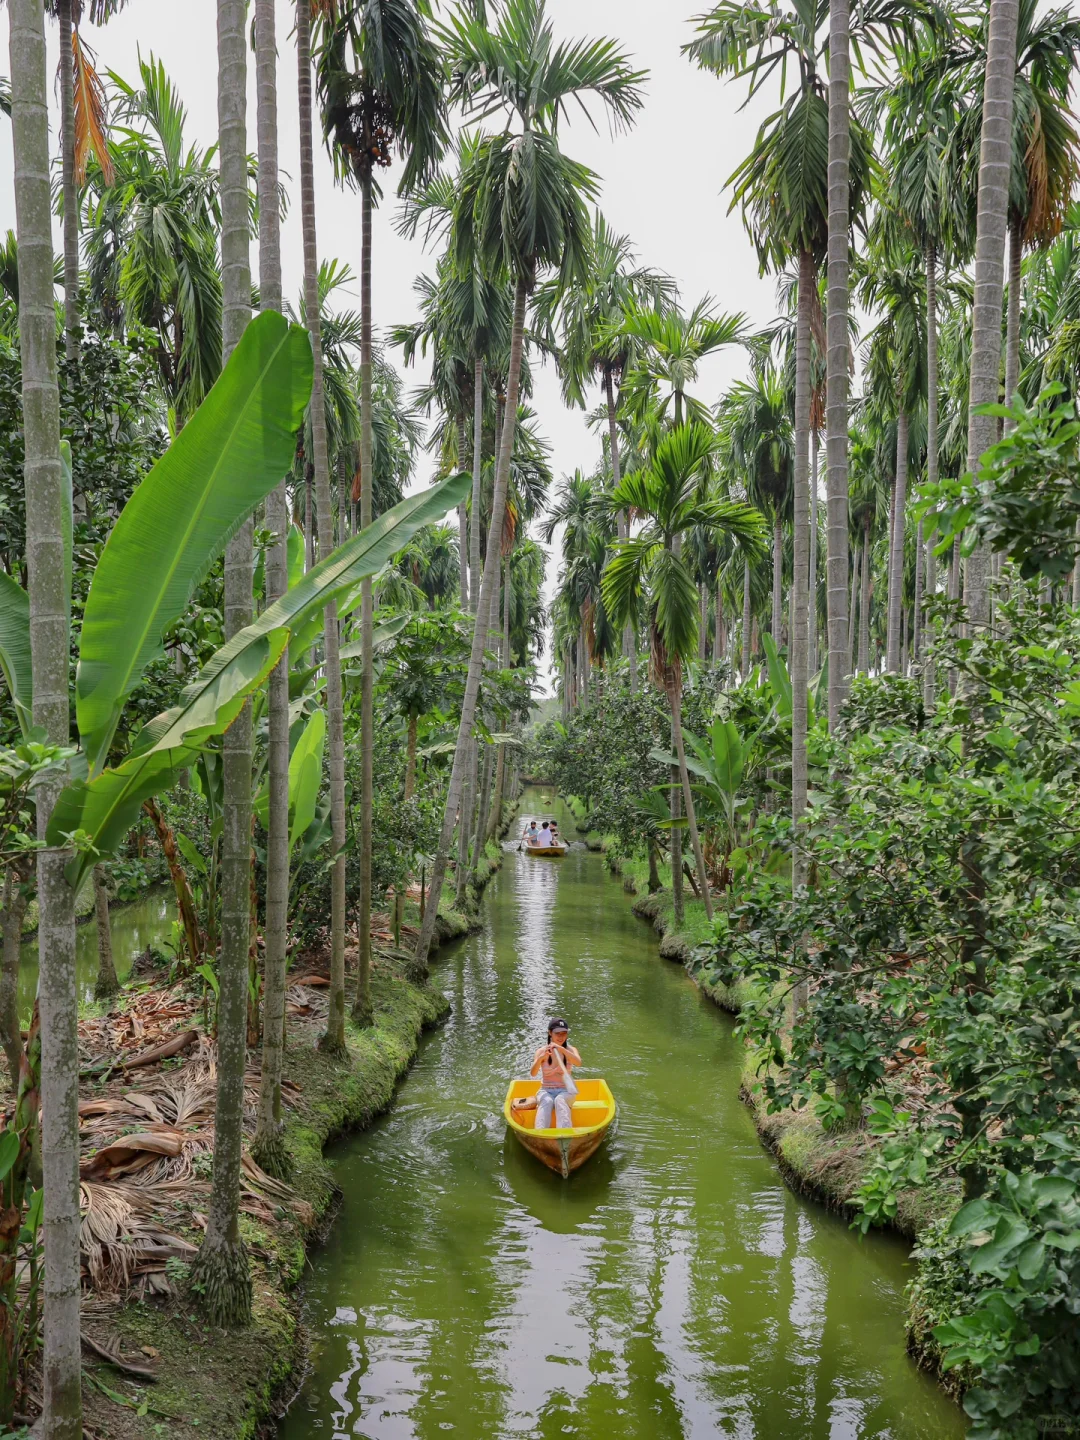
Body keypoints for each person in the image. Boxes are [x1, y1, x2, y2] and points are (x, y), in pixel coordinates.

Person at [529, 1019, 581, 1129]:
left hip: (566, 1091)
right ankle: (540, 1134)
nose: (561, 1037)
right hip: (546, 1090)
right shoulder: (541, 1051)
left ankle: (564, 1136)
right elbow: (533, 1073)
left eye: (564, 1033)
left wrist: (562, 1050)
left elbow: (578, 1063)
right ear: (550, 1033)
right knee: (547, 1101)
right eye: (557, 1033)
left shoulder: (570, 1050)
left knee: (560, 1100)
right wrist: (540, 1059)